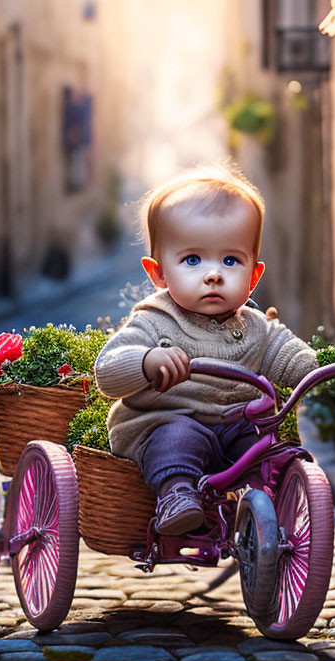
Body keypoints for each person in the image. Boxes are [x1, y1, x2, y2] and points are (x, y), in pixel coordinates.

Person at [93, 162, 317, 535]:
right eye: (192, 260)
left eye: (231, 260)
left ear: (253, 276)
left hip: (233, 425)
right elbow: (108, 370)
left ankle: (272, 500)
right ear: (159, 273)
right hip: (164, 423)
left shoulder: (256, 327)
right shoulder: (153, 321)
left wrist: (317, 370)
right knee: (178, 438)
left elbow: (289, 356)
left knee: (264, 439)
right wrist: (147, 361)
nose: (213, 274)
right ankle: (175, 495)